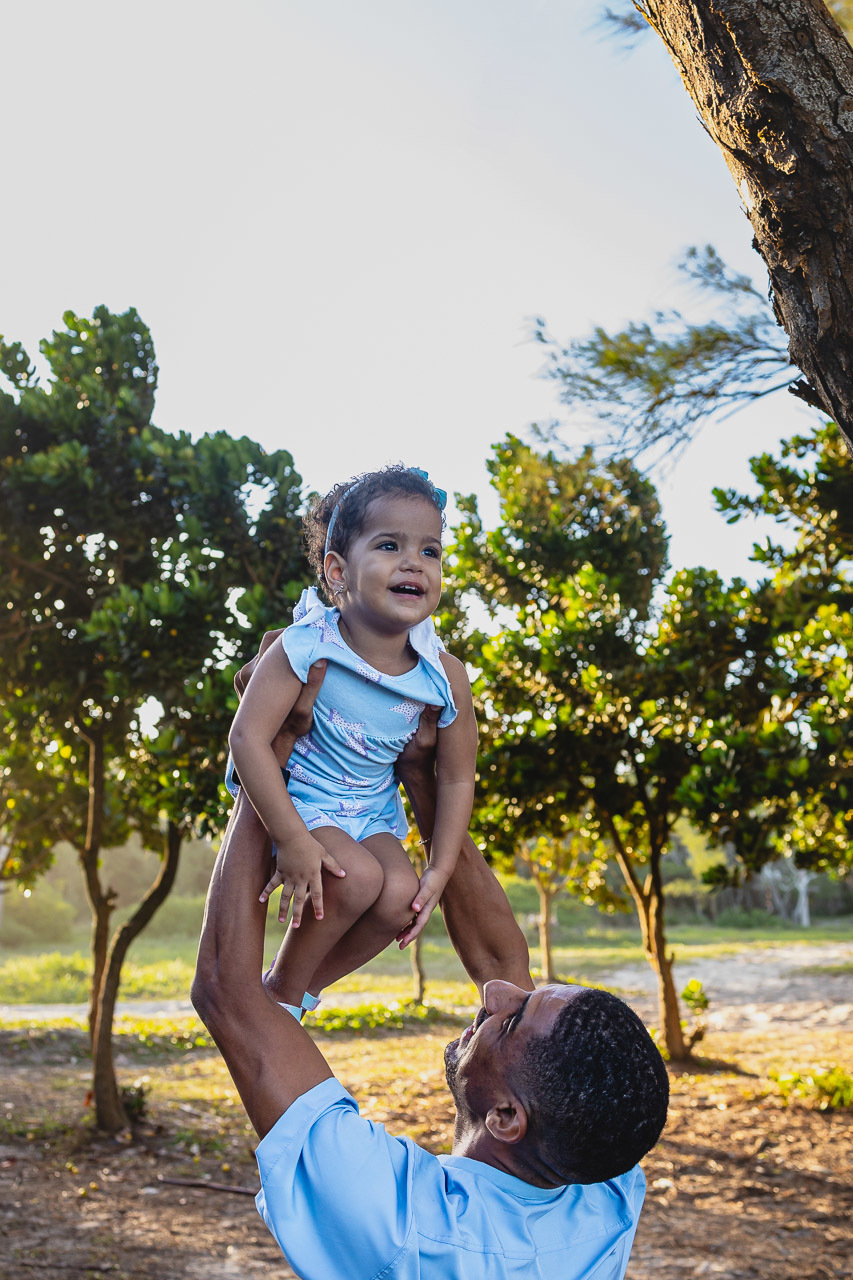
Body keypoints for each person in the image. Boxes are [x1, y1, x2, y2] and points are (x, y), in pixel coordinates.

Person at [192, 651, 670, 1280]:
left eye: (511, 1019)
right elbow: (502, 960)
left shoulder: (406, 1224)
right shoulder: (602, 1185)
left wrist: (273, 754)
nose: (498, 993)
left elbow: (228, 996)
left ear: (506, 1118)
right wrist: (421, 771)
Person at [227, 465, 478, 1021]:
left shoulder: (442, 672)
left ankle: (294, 990)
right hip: (301, 799)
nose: (415, 562)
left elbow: (458, 775)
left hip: (371, 809)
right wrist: (291, 839)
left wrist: (439, 867)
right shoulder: (307, 645)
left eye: (430, 550)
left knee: (399, 897)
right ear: (337, 571)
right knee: (358, 878)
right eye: (390, 545)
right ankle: (284, 999)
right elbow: (246, 737)